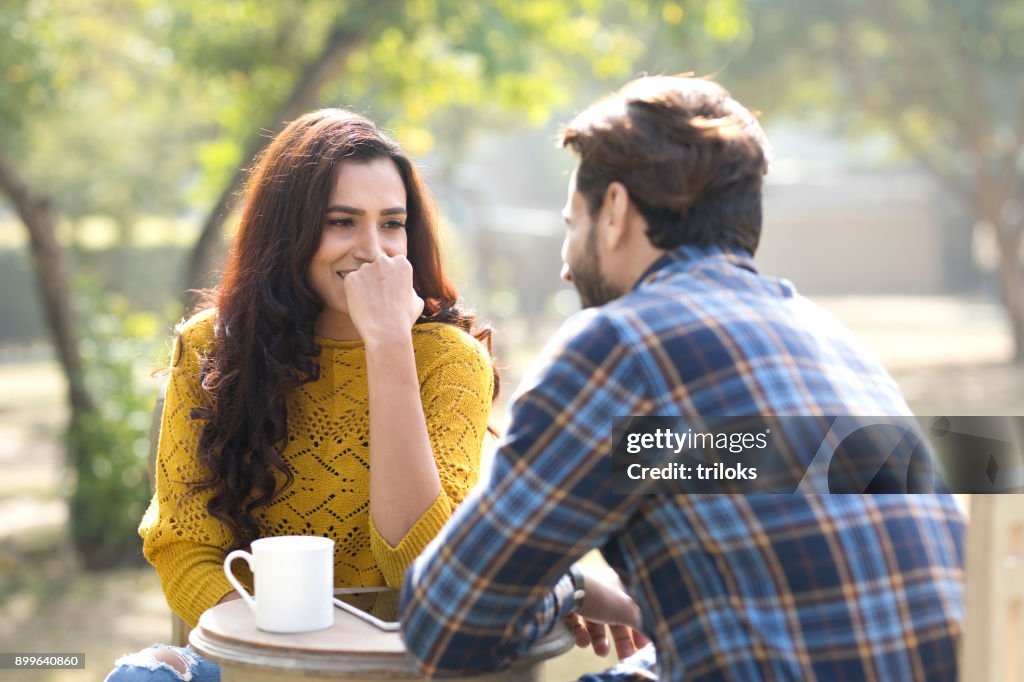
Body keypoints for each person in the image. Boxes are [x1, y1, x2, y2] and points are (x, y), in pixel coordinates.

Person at [399, 75, 965, 681]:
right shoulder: (833, 341)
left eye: (571, 225)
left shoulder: (621, 347)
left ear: (614, 211)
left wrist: (571, 585)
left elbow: (445, 624)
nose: (565, 267)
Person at [106, 109, 496, 681]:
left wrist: (389, 344)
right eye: (342, 222)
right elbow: (185, 546)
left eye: (392, 223)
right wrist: (276, 661)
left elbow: (421, 566)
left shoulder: (450, 361)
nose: (373, 249)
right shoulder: (211, 348)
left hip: (391, 662)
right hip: (249, 651)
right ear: (289, 230)